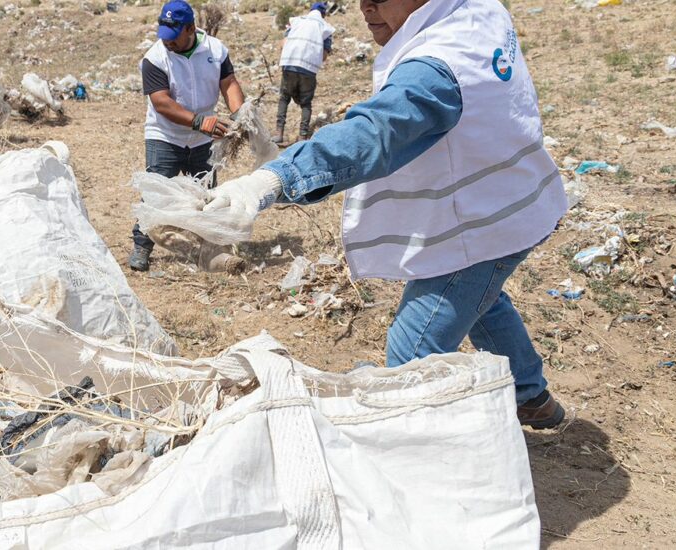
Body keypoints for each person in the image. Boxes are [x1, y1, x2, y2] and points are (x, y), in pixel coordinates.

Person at [206, 0, 568, 428]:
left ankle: (405, 460)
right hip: (512, 201)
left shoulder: (437, 67)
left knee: (410, 353)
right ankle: (533, 398)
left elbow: (376, 132)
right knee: (482, 301)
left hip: (480, 223)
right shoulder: (478, 11)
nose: (366, 7)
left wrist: (273, 180)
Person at [130, 0, 246, 272]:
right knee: (156, 192)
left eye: (173, 37)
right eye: (164, 36)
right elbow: (162, 102)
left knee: (206, 196)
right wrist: (198, 122)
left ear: (190, 29)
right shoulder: (154, 58)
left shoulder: (215, 50)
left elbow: (228, 83)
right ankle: (142, 245)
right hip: (166, 134)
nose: (167, 42)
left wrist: (241, 116)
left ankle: (211, 248)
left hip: (203, 138)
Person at [275, 2, 337, 144]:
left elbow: (283, 44)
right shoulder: (325, 28)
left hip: (289, 64)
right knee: (306, 103)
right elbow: (324, 56)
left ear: (310, 11)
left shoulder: (296, 21)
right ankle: (303, 137)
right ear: (324, 14)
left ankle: (279, 134)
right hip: (308, 70)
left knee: (284, 98)